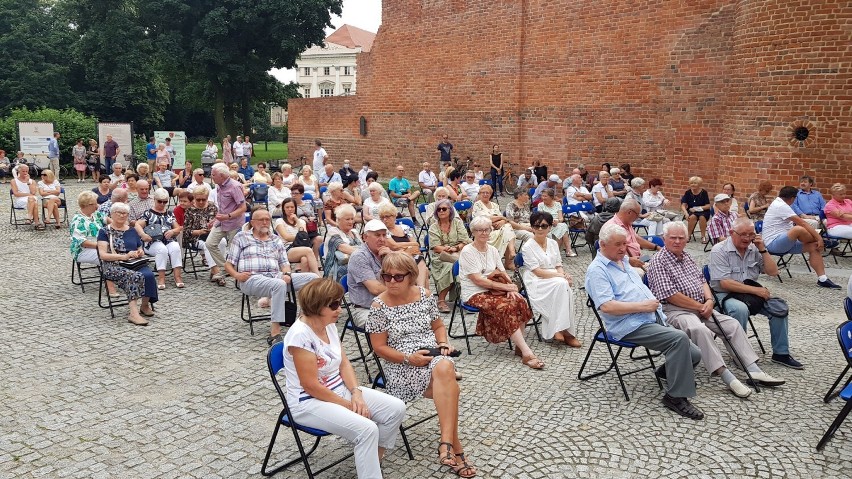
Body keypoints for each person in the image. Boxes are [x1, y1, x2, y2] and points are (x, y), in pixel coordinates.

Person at [282, 277, 406, 479]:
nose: (339, 309)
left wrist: (356, 393)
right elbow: (311, 386)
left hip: (337, 390)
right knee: (367, 429)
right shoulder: (300, 336)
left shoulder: (328, 323)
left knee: (396, 408)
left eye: (340, 302)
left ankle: (373, 459)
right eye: (333, 305)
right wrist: (347, 405)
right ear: (316, 306)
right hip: (308, 402)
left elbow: (344, 363)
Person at [366, 253, 476, 478]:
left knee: (445, 367)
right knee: (449, 387)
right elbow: (379, 348)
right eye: (386, 276)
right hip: (401, 364)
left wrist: (443, 343)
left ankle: (446, 444)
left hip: (433, 357)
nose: (391, 281)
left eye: (398, 277)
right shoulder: (378, 306)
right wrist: (409, 358)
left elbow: (438, 327)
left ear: (411, 276)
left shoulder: (425, 295)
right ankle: (454, 448)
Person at [648, 221, 784, 399]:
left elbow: (702, 281)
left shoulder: (686, 256)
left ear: (686, 240)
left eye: (681, 238)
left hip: (702, 306)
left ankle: (753, 370)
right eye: (672, 238)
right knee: (699, 330)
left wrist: (710, 301)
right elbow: (671, 296)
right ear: (664, 239)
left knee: (732, 325)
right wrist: (700, 306)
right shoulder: (658, 262)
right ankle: (727, 377)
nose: (677, 241)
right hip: (675, 310)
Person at [586, 222, 704, 420]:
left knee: (695, 353)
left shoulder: (622, 260)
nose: (623, 248)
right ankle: (675, 397)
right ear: (602, 245)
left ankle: (671, 371)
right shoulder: (597, 270)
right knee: (679, 339)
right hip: (629, 325)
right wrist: (643, 306)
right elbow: (607, 307)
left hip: (650, 317)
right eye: (618, 244)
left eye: (624, 243)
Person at [709, 217, 804, 369]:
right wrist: (757, 290)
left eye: (751, 234)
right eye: (743, 234)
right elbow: (724, 283)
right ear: (732, 233)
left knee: (779, 307)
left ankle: (781, 353)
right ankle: (741, 354)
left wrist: (763, 249)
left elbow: (773, 272)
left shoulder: (754, 249)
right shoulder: (719, 250)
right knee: (739, 309)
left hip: (749, 293)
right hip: (725, 294)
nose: (747, 238)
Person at [226, 207, 318, 344]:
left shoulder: (275, 239)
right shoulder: (242, 237)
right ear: (252, 222)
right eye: (261, 220)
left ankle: (303, 319)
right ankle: (275, 333)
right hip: (251, 278)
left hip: (276, 275)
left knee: (313, 278)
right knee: (279, 284)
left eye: (267, 220)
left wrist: (287, 273)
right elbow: (228, 264)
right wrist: (237, 276)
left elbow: (284, 263)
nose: (265, 222)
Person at [459, 216, 540, 369]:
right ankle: (527, 352)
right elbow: (478, 281)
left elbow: (503, 273)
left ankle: (518, 346)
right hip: (475, 293)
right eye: (479, 230)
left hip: (495, 289)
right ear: (473, 232)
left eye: (487, 229)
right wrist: (506, 288)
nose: (484, 233)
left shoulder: (493, 250)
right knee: (505, 307)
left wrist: (512, 288)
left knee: (520, 300)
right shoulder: (467, 252)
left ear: (491, 230)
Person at [520, 211, 580, 347]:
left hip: (554, 277)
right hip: (536, 280)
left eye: (543, 226)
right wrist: (561, 276)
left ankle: (560, 329)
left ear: (549, 228)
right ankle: (565, 331)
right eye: (536, 226)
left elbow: (558, 265)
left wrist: (564, 275)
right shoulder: (527, 246)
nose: (540, 229)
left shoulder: (553, 243)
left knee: (564, 286)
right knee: (562, 285)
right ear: (532, 227)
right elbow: (537, 271)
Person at [762, 186, 840, 289]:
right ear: (793, 198)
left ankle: (823, 279)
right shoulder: (780, 205)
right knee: (798, 229)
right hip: (774, 243)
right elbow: (802, 223)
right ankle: (823, 241)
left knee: (814, 246)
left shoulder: (781, 203)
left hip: (787, 242)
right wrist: (819, 238)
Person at [97, 202, 158, 326]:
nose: (122, 215)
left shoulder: (132, 230)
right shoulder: (104, 231)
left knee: (149, 275)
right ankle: (133, 314)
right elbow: (103, 255)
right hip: (113, 264)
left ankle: (144, 306)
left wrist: (139, 252)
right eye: (119, 212)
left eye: (125, 213)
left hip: (133, 262)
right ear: (112, 214)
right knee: (133, 276)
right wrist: (124, 256)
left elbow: (139, 247)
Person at [205, 163, 248, 286]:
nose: (211, 177)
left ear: (222, 176)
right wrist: (215, 219)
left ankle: (239, 278)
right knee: (210, 243)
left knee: (234, 250)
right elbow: (223, 207)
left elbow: (243, 207)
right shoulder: (219, 186)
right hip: (221, 221)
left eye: (213, 175)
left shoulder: (234, 187)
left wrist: (228, 216)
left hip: (234, 222)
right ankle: (226, 268)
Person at [428, 199, 471, 313]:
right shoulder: (433, 227)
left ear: (450, 210)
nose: (441, 211)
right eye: (438, 209)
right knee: (450, 267)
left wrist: (455, 248)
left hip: (458, 253)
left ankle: (465, 297)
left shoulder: (457, 223)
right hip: (440, 257)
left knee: (466, 265)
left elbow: (465, 240)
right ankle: (441, 300)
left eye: (444, 209)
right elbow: (435, 247)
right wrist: (447, 249)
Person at [136, 189, 184, 289]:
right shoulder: (148, 213)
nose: (162, 204)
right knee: (161, 250)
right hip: (152, 241)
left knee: (175, 247)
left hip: (168, 240)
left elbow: (178, 228)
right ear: (154, 199)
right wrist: (143, 235)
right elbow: (137, 224)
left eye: (165, 202)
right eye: (160, 201)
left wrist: (173, 231)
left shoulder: (169, 213)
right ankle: (161, 278)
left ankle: (178, 277)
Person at [347, 219, 392, 327]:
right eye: (377, 235)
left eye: (384, 235)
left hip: (388, 304)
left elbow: (406, 277)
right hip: (364, 309)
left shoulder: (386, 253)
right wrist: (403, 294)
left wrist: (391, 258)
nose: (382, 239)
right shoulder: (359, 256)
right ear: (365, 237)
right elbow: (375, 289)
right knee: (391, 324)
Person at [377, 203, 430, 290]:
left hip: (408, 257)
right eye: (382, 218)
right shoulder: (384, 232)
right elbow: (394, 246)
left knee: (423, 268)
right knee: (421, 266)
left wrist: (402, 248)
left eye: (387, 217)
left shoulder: (404, 227)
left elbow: (416, 244)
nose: (384, 220)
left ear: (394, 216)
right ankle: (422, 292)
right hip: (394, 259)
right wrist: (408, 247)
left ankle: (423, 293)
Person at [605, 198, 662, 274]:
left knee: (661, 266)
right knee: (654, 273)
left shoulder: (627, 223)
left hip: (638, 260)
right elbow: (610, 254)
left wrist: (656, 247)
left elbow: (637, 238)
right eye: (637, 214)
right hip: (623, 266)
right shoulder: (612, 227)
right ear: (629, 212)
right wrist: (628, 260)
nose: (638, 217)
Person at [182, 185, 224, 282]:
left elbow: (219, 223)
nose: (201, 202)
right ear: (194, 198)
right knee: (208, 245)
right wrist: (199, 232)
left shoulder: (212, 207)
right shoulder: (189, 210)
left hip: (211, 234)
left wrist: (213, 226)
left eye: (203, 199)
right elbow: (186, 231)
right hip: (195, 238)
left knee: (223, 242)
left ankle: (215, 270)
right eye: (198, 199)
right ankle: (218, 272)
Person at [273, 198, 321, 275]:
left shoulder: (301, 222)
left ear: (295, 208)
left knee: (304, 259)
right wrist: (300, 237)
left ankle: (304, 283)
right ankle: (318, 275)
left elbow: (304, 235)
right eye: (287, 207)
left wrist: (297, 220)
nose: (290, 209)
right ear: (283, 209)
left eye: (292, 207)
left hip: (300, 247)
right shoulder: (279, 221)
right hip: (286, 248)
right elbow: (286, 237)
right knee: (308, 250)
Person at [472, 184, 517, 266]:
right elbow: (484, 219)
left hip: (498, 229)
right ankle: (510, 259)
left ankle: (511, 253)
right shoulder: (477, 205)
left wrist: (502, 221)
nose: (485, 194)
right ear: (479, 194)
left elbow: (502, 220)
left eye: (487, 193)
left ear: (490, 194)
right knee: (507, 231)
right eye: (483, 192)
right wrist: (501, 217)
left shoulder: (495, 205)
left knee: (507, 227)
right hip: (484, 231)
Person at [323, 204, 362, 281]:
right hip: (337, 268)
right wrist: (365, 253)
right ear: (338, 220)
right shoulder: (333, 232)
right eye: (347, 219)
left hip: (356, 262)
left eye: (352, 219)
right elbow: (345, 249)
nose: (351, 222)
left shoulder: (354, 232)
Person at [70, 191, 107, 266]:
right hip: (83, 250)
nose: (97, 206)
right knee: (110, 257)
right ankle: (111, 275)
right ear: (89, 205)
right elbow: (82, 242)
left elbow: (109, 220)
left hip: (100, 245)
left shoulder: (96, 214)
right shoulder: (78, 220)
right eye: (95, 203)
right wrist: (101, 245)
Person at [536, 188, 577, 257]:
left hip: (556, 224)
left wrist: (557, 221)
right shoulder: (541, 205)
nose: (543, 198)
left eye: (545, 196)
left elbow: (561, 218)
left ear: (551, 197)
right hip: (545, 225)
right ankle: (567, 250)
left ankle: (557, 253)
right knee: (563, 227)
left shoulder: (557, 204)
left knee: (562, 225)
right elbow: (540, 218)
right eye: (542, 196)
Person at [291, 183, 323, 262]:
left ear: (302, 194)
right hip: (298, 231)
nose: (294, 195)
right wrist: (300, 219)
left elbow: (314, 216)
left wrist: (312, 218)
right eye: (292, 193)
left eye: (296, 193)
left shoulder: (308, 205)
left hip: (310, 231)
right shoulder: (291, 205)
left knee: (319, 239)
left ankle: (315, 260)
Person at [681, 176, 712, 243]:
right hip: (692, 211)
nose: (693, 185)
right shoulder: (688, 192)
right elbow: (683, 205)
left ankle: (703, 236)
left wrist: (697, 209)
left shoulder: (704, 192)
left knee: (702, 217)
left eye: (695, 183)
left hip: (703, 211)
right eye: (691, 183)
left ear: (699, 184)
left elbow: (708, 206)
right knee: (692, 217)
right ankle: (688, 235)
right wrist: (686, 213)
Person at [11, 165, 43, 230]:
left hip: (31, 199)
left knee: (32, 199)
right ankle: (36, 222)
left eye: (26, 171)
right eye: (23, 171)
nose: (25, 173)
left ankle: (29, 218)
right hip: (21, 199)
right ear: (19, 171)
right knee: (33, 201)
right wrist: (28, 194)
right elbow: (16, 194)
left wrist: (28, 182)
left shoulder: (32, 181)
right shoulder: (14, 181)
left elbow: (33, 192)